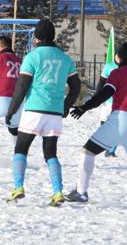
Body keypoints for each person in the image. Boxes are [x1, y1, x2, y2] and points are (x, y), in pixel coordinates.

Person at [66, 42, 127, 207]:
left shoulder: (117, 72)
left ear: (118, 57)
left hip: (120, 119)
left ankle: (81, 192)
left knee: (87, 152)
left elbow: (105, 93)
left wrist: (85, 107)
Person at [5, 19, 81, 207]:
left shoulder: (32, 57)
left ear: (36, 38)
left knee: (21, 148)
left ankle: (18, 187)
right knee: (50, 153)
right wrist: (66, 105)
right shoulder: (65, 59)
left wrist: (11, 110)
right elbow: (76, 86)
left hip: (34, 110)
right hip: (54, 113)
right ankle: (57, 192)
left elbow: (21, 86)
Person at [97, 57, 118, 158]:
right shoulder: (109, 66)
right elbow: (101, 82)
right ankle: (107, 145)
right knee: (104, 123)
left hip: (120, 102)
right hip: (108, 100)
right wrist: (98, 96)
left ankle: (111, 150)